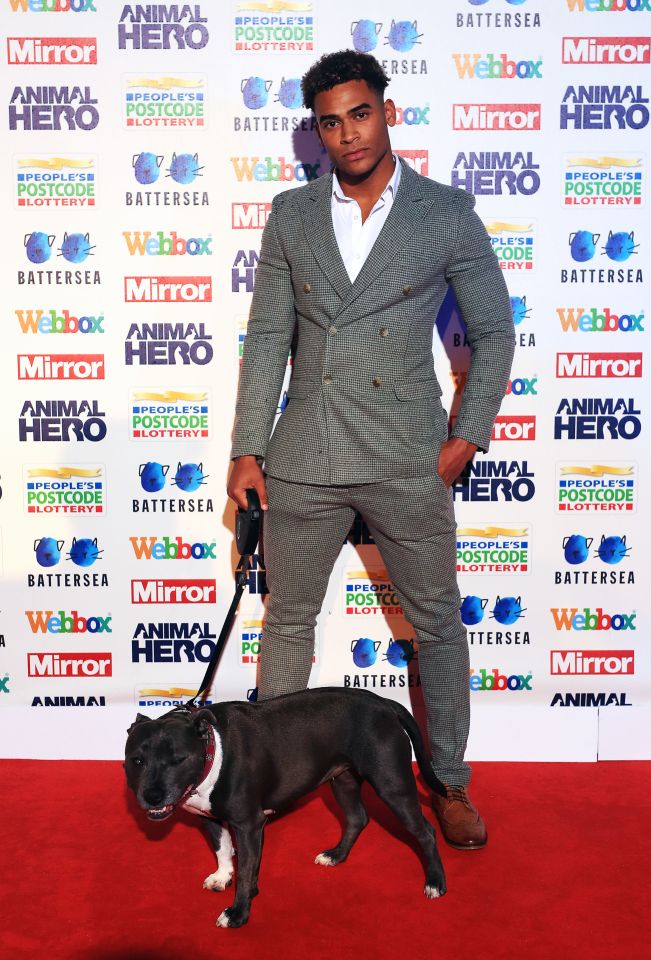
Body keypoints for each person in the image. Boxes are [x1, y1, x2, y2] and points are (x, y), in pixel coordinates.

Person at [228, 50, 515, 849]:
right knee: (288, 620)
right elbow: (268, 343)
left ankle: (449, 784)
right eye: (330, 121)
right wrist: (249, 448)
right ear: (315, 131)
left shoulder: (445, 212)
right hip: (306, 453)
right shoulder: (291, 213)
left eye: (361, 113)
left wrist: (465, 439)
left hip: (405, 453)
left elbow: (492, 332)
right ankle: (265, 783)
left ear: (387, 111)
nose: (348, 133)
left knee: (436, 625)